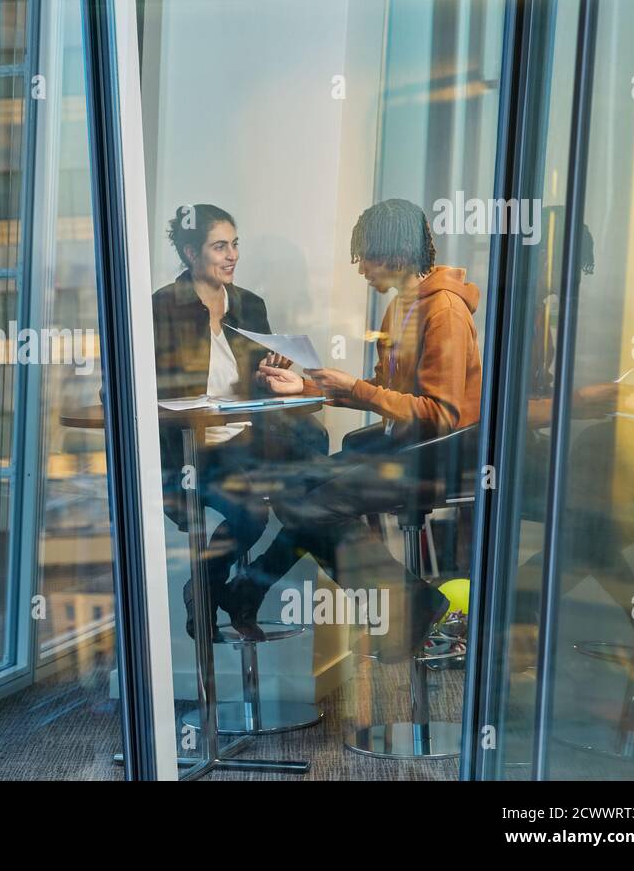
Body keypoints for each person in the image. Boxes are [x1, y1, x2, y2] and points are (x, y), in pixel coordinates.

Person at [249, 198, 482, 660]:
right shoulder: (401, 308)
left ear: (394, 254)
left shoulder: (446, 312)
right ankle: (408, 603)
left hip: (444, 452)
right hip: (408, 446)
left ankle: (407, 606)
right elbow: (387, 390)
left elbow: (442, 413)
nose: (360, 270)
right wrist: (306, 387)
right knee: (296, 492)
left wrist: (357, 389)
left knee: (311, 507)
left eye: (365, 258)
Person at [152, 203, 327, 642]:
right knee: (251, 513)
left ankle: (237, 591)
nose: (231, 255)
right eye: (219, 246)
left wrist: (269, 372)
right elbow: (131, 382)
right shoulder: (161, 308)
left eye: (234, 245)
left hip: (249, 440)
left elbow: (254, 384)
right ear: (192, 254)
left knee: (325, 495)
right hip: (195, 449)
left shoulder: (250, 305)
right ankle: (212, 590)